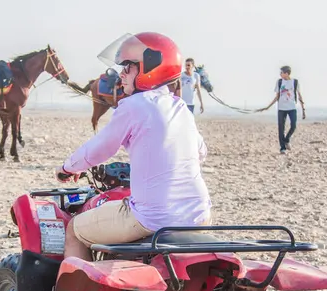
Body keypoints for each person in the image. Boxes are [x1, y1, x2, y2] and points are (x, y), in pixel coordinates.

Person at [55, 32, 212, 261]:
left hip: (153, 218)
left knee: (75, 229)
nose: (122, 74)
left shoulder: (133, 105)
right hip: (200, 214)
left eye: (128, 67)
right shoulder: (180, 108)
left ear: (150, 69)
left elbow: (101, 148)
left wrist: (68, 168)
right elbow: (201, 152)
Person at [258, 65, 306, 154]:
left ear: (286, 73)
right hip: (281, 108)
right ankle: (282, 148)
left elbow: (299, 96)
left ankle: (287, 140)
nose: (280, 74)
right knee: (281, 128)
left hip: (292, 108)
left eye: (281, 73)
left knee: (293, 126)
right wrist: (268, 106)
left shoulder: (295, 82)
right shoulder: (279, 82)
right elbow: (277, 96)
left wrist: (303, 110)